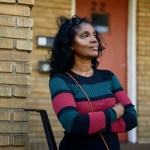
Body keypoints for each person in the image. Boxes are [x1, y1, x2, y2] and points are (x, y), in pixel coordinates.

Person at [48, 15, 137, 150]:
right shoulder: (60, 80)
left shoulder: (108, 76)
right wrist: (113, 113)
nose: (94, 40)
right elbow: (73, 124)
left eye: (94, 35)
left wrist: (92, 124)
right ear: (70, 44)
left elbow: (131, 117)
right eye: (84, 36)